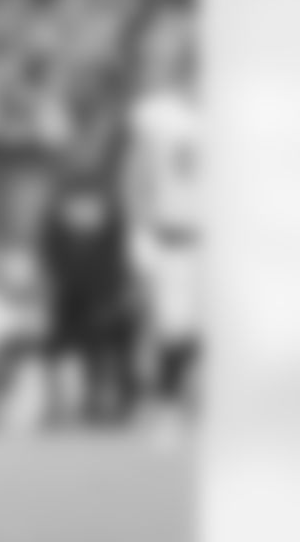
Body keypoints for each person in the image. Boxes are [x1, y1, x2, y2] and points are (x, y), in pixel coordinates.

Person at [39, 174, 138, 428]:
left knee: (94, 350)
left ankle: (92, 403)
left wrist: (115, 292)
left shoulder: (109, 222)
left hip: (94, 294)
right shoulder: (58, 223)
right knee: (64, 350)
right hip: (70, 295)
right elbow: (51, 258)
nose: (83, 206)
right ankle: (63, 403)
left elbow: (114, 260)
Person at [129, 85, 200, 437]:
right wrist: (139, 230)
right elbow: (137, 172)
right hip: (176, 238)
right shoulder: (159, 114)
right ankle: (165, 403)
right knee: (175, 327)